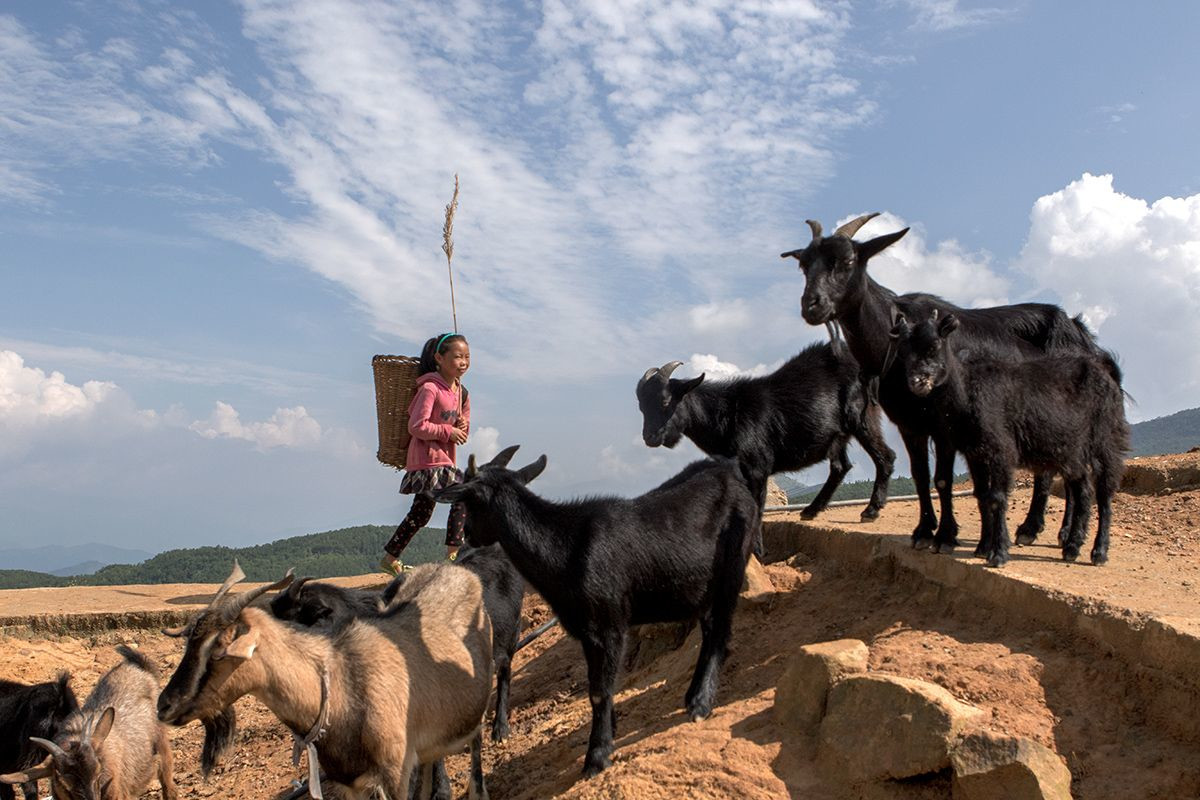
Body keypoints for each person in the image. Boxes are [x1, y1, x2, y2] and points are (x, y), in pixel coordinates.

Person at [380, 332, 471, 575]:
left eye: (467, 357)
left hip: (443, 460)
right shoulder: (430, 389)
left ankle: (390, 558)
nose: (464, 362)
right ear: (439, 358)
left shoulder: (462, 393)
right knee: (463, 496)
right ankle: (454, 554)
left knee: (420, 514)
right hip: (427, 460)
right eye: (458, 356)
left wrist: (461, 428)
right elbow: (416, 426)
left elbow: (463, 432)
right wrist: (447, 432)